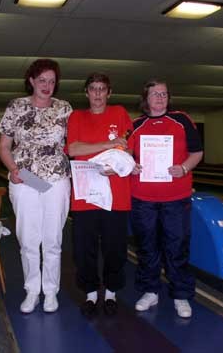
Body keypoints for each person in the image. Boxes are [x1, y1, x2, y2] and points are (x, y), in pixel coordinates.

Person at [0, 59, 72, 313]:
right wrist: (14, 170)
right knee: (28, 239)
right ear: (31, 80)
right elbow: (4, 146)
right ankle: (32, 291)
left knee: (53, 239)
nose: (47, 86)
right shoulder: (16, 106)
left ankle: (51, 291)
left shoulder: (64, 108)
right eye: (42, 80)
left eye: (52, 81)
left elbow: (75, 143)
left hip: (56, 179)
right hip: (25, 178)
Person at [128, 79, 203, 318]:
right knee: (147, 247)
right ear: (145, 99)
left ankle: (181, 295)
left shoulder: (181, 120)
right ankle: (150, 291)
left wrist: (183, 168)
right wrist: (131, 166)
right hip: (143, 197)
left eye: (164, 94)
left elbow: (197, 152)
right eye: (155, 94)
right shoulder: (135, 125)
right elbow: (124, 155)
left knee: (177, 246)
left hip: (176, 197)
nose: (160, 98)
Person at [67, 73, 133, 316]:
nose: (97, 94)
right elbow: (74, 149)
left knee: (115, 248)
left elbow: (127, 149)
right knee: (85, 249)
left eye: (102, 89)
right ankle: (92, 295)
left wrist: (116, 165)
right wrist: (107, 145)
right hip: (86, 195)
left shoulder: (120, 113)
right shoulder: (77, 116)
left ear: (109, 92)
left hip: (117, 195)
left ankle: (112, 293)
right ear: (86, 92)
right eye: (92, 89)